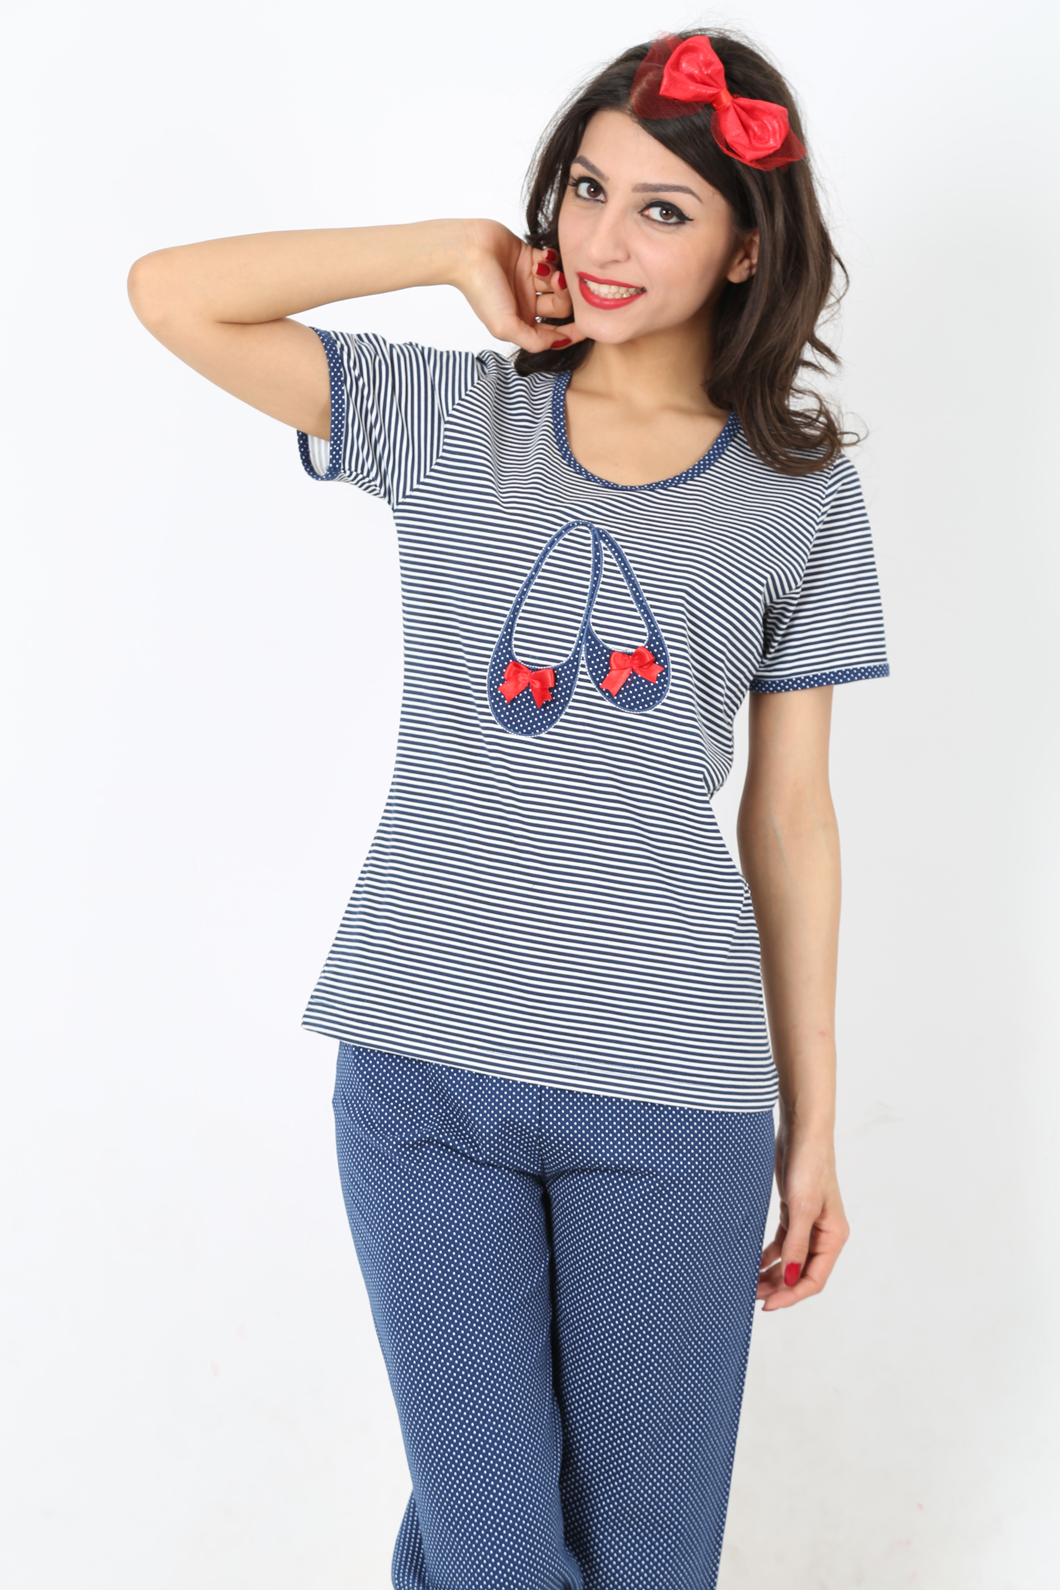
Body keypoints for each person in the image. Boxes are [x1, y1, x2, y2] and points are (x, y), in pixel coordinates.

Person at [128, 29, 888, 1590]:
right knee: (491, 1552)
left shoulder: (802, 492)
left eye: (664, 210)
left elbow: (792, 821)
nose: (605, 237)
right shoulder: (451, 418)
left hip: (673, 1095)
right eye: (587, 189)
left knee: (647, 1558)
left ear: (748, 248)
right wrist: (447, 250)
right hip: (425, 1069)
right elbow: (171, 293)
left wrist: (813, 1129)